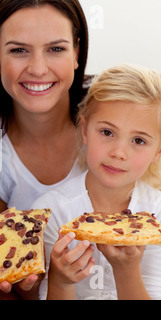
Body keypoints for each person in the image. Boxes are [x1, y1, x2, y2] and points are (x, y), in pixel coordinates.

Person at [0, 0, 89, 299]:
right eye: (19, 50)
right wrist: (24, 286)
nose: (38, 69)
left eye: (56, 49)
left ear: (76, 53)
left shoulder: (115, 129)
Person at [33, 64, 161, 300]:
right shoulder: (53, 211)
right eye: (107, 133)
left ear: (158, 152)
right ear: (85, 130)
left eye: (139, 140)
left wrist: (127, 272)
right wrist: (60, 281)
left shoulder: (157, 217)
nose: (119, 152)